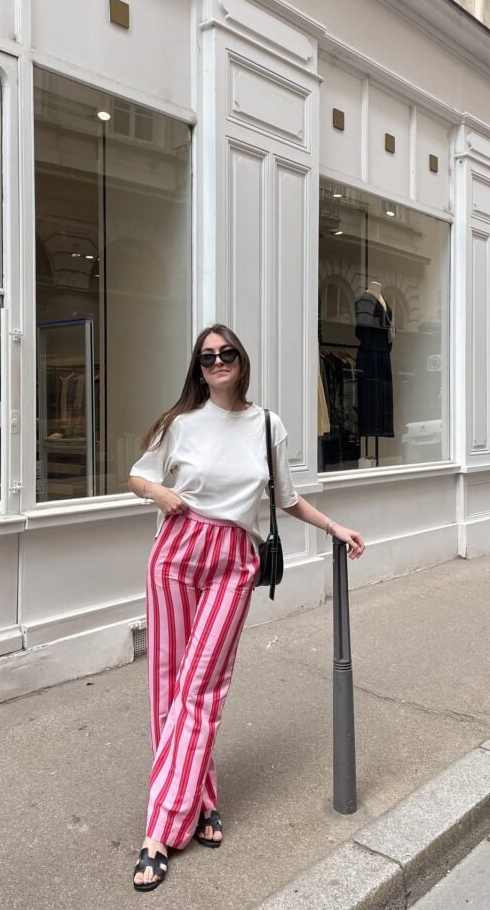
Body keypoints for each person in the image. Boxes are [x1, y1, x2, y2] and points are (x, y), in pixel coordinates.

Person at [128, 324, 365, 891]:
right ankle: (201, 801)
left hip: (234, 558)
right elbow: (138, 474)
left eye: (226, 353)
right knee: (168, 685)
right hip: (177, 551)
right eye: (207, 356)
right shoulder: (179, 423)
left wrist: (334, 526)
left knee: (202, 686)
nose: (217, 362)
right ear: (198, 366)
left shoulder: (266, 424)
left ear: (241, 360)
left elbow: (285, 496)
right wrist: (160, 493)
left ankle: (160, 828)